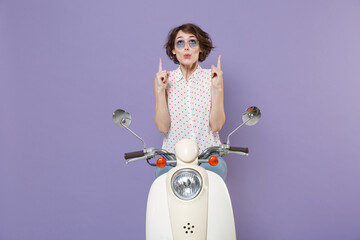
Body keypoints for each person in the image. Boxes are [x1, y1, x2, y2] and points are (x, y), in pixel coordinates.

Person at [154, 23, 227, 180]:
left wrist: (217, 88)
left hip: (207, 157)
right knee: (162, 185)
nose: (186, 47)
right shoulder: (164, 79)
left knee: (213, 185)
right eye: (180, 43)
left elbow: (216, 125)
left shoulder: (212, 77)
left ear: (200, 48)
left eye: (192, 42)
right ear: (174, 50)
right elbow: (163, 127)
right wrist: (160, 90)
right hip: (173, 158)